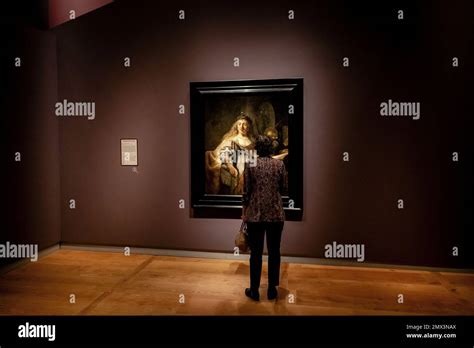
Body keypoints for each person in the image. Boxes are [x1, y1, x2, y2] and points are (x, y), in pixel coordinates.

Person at [242, 135, 288, 301]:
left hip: (255, 214)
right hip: (275, 214)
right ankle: (271, 290)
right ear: (270, 149)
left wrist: (244, 212)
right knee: (274, 252)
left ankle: (254, 290)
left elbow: (246, 192)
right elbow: (284, 187)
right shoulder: (279, 164)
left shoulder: (251, 164)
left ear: (257, 149)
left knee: (256, 253)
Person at [205, 113, 257, 195]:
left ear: (249, 127)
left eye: (244, 124)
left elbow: (255, 157)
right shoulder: (232, 139)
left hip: (251, 166)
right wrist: (230, 166)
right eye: (239, 124)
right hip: (236, 166)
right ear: (236, 126)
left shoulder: (253, 141)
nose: (241, 127)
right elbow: (224, 153)